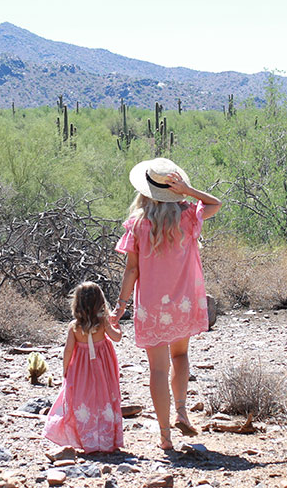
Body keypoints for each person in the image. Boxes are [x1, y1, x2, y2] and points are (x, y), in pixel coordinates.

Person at [113, 157, 222, 450]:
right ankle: (182, 411)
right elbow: (215, 204)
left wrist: (121, 305)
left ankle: (165, 436)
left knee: (157, 370)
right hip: (184, 301)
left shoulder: (137, 224)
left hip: (151, 306)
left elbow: (132, 270)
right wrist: (188, 191)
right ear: (173, 190)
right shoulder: (187, 218)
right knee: (181, 356)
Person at [43, 281, 125, 453]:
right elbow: (116, 338)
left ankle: (85, 438)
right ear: (100, 302)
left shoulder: (74, 326)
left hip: (80, 369)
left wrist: (65, 370)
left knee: (82, 399)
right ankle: (105, 438)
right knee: (103, 398)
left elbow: (68, 350)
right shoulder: (102, 323)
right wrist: (117, 327)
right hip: (103, 367)